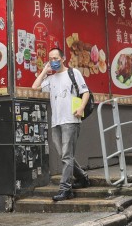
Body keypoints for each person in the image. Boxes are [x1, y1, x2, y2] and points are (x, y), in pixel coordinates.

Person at [32, 46, 90, 202]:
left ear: (63, 59)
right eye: (50, 59)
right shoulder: (50, 79)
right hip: (56, 122)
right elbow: (35, 87)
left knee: (66, 155)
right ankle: (83, 177)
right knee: (65, 155)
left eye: (56, 58)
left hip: (71, 120)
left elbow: (85, 92)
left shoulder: (73, 73)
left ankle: (65, 189)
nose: (53, 61)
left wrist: (81, 107)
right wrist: (45, 71)